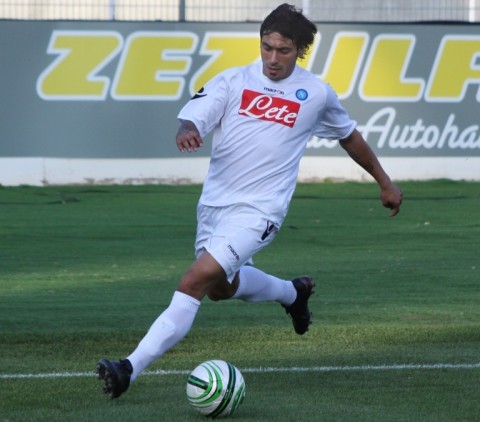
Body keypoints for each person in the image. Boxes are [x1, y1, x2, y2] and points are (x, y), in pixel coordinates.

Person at [96, 3, 403, 399]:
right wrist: (188, 130)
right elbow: (194, 117)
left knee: (193, 281)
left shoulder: (317, 94)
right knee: (221, 288)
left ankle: (128, 368)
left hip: (260, 211)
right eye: (267, 47)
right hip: (215, 207)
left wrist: (384, 181)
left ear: (300, 51)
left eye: (284, 50)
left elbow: (349, 136)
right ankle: (294, 294)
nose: (273, 58)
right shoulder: (232, 81)